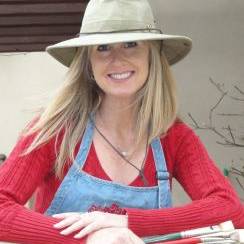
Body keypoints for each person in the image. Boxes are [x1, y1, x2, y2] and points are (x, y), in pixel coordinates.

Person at [0, 0, 243, 243]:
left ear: (152, 56)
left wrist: (128, 220)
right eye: (103, 47)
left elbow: (231, 209)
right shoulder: (53, 130)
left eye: (131, 44)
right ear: (88, 63)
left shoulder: (173, 136)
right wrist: (90, 237)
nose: (117, 59)